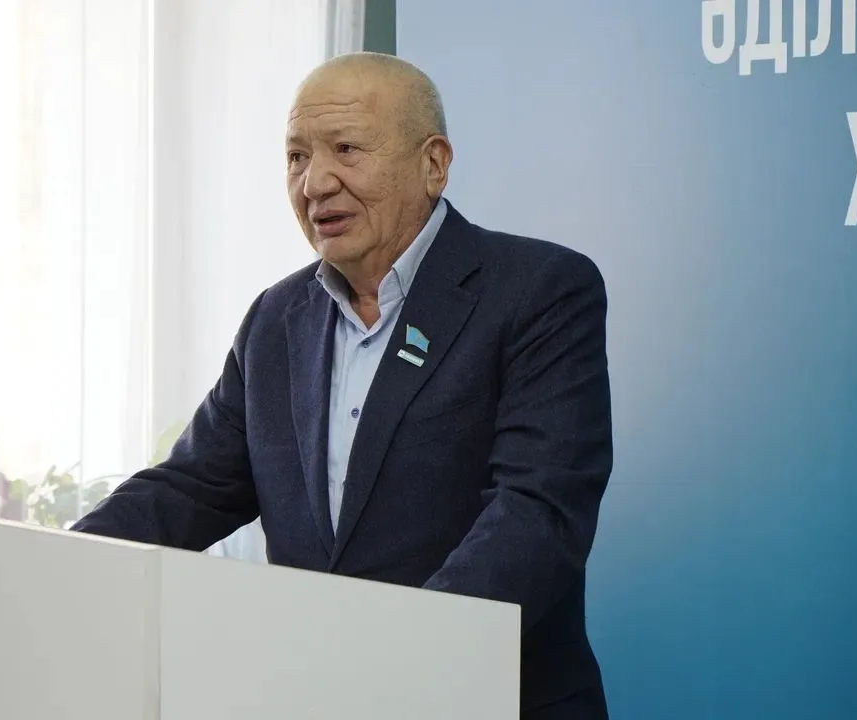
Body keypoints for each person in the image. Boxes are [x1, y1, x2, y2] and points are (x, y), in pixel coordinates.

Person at [71, 51, 613, 719]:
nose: (315, 182)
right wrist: (64, 565)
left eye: (346, 149)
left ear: (433, 163)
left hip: (488, 698)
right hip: (320, 697)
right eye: (296, 157)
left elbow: (536, 512)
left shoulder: (538, 290)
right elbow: (190, 488)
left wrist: (391, 661)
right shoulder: (277, 318)